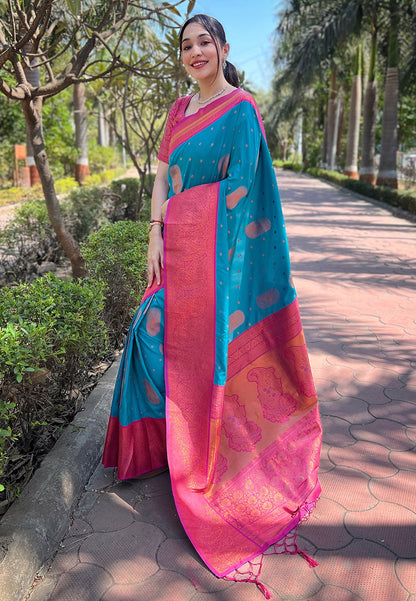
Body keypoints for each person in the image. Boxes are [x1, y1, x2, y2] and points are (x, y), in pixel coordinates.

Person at [102, 13, 322, 597]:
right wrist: (156, 230)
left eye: (205, 42)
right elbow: (161, 178)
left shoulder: (242, 110)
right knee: (146, 335)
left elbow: (245, 192)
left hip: (217, 263)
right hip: (175, 249)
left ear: (222, 49)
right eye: (187, 45)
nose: (195, 52)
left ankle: (203, 447)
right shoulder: (179, 110)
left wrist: (187, 215)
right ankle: (160, 447)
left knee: (187, 347)